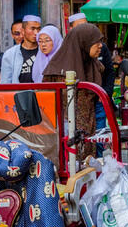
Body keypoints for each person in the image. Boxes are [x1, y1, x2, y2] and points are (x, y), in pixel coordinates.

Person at [42, 23, 104, 161]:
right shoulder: (56, 70)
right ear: (84, 42)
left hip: (90, 126)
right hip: (65, 133)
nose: (100, 45)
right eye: (96, 42)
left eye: (101, 41)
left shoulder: (94, 65)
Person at [0, 15, 41, 84]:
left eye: (38, 29)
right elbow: (5, 83)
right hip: (18, 94)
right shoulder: (10, 54)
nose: (36, 33)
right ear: (23, 31)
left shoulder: (44, 51)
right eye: (32, 29)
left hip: (41, 93)